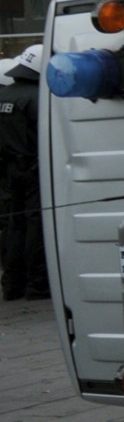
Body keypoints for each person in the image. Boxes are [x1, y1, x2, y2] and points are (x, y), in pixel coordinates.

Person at [0, 44, 48, 301]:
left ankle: (11, 284)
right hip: (33, 168)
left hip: (8, 171)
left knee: (12, 225)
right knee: (35, 225)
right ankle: (37, 285)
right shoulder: (38, 97)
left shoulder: (4, 95)